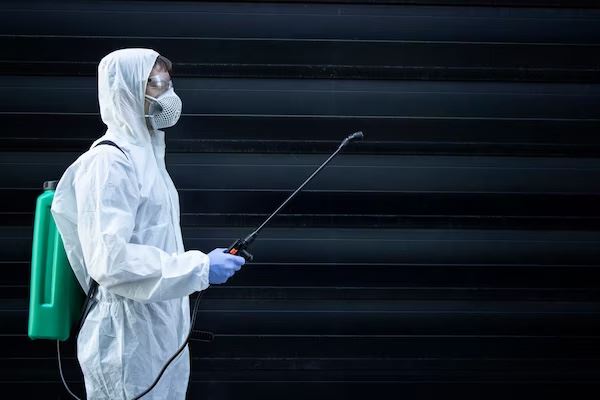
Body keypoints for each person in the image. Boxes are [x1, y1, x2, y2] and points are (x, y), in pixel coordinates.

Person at [50, 48, 246, 399]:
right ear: (126, 89)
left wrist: (198, 268)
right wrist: (199, 267)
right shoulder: (109, 162)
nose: (168, 94)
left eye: (168, 83)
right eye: (156, 84)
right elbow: (110, 261)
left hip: (159, 330)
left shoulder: (148, 157)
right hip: (125, 338)